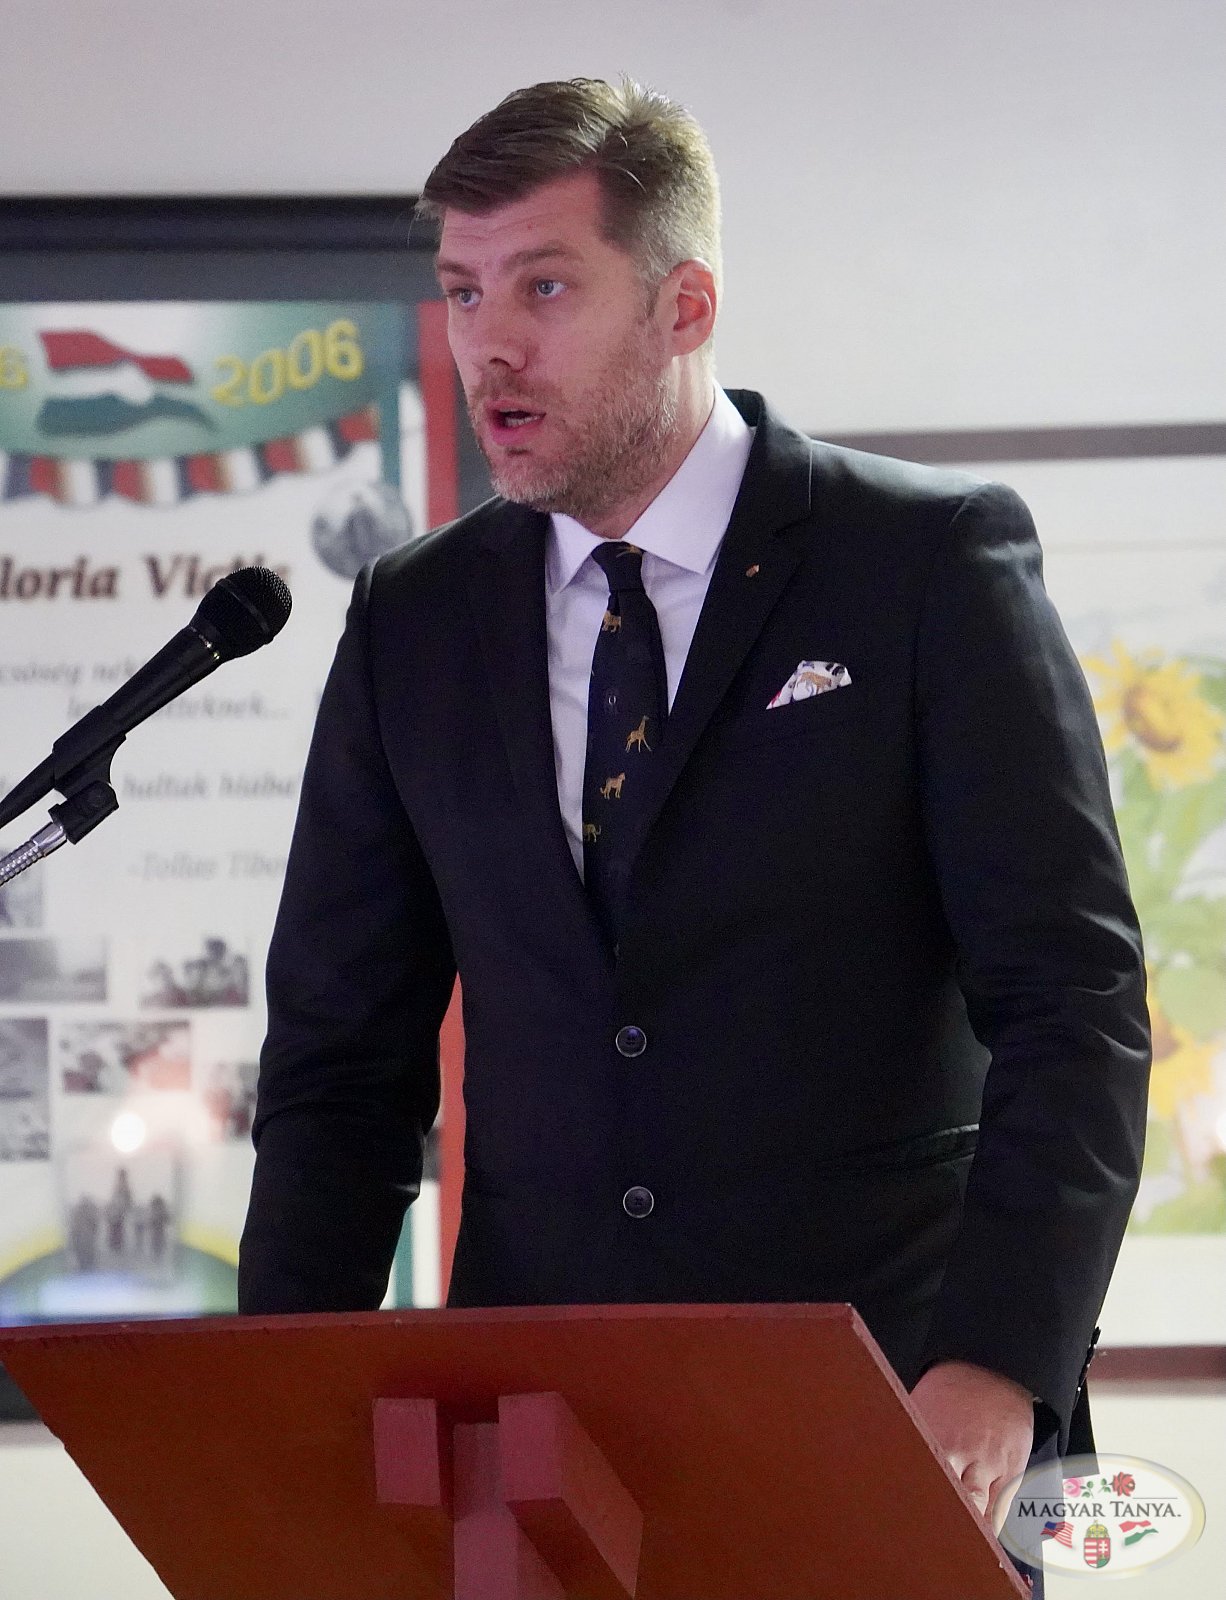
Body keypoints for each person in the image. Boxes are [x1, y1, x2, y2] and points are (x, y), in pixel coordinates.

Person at [238, 77, 1150, 1578]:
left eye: (544, 286)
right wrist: (275, 1403)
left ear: (684, 305)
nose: (488, 343)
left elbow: (1073, 1001)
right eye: (463, 291)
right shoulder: (416, 618)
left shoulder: (921, 562)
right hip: (533, 1449)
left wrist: (1001, 1360)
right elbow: (344, 1057)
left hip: (894, 1411)